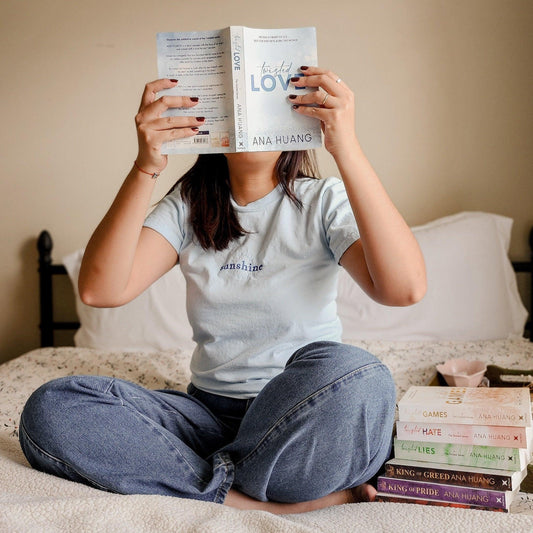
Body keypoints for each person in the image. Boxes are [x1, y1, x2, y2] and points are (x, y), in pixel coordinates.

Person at [19, 66, 426, 514]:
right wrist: (146, 166)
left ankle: (203, 477)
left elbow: (404, 289)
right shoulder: (188, 207)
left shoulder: (323, 201)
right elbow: (100, 290)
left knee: (358, 374)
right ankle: (247, 498)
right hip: (209, 418)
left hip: (302, 413)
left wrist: (345, 147)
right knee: (52, 406)